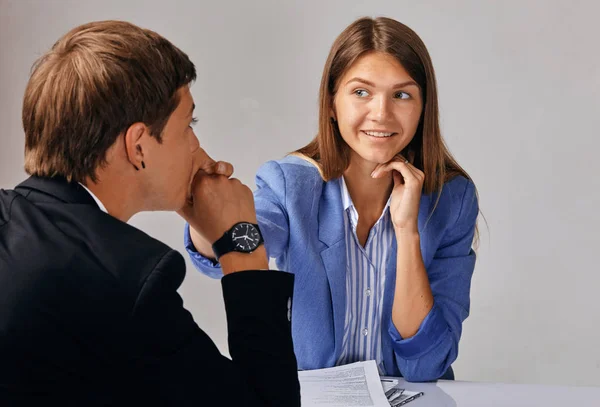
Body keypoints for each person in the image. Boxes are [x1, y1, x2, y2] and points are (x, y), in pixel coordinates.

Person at [0, 20, 300, 406]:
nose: (196, 146)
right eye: (187, 124)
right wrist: (242, 244)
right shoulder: (124, 279)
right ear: (139, 146)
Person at [186, 16, 479, 382]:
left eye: (401, 95)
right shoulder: (289, 184)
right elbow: (240, 244)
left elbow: (426, 364)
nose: (381, 113)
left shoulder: (452, 200)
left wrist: (407, 232)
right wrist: (201, 208)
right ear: (330, 103)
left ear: (422, 108)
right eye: (361, 92)